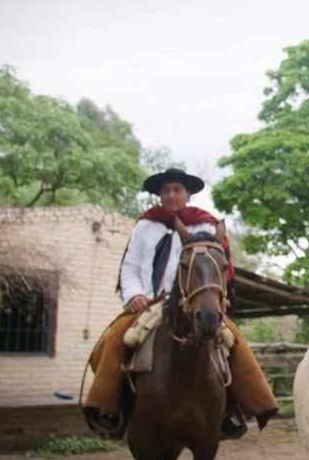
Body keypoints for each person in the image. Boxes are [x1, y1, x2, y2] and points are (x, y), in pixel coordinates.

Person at [83, 168, 278, 440]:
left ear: (188, 194)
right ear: (159, 194)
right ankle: (108, 407)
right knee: (115, 339)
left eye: (177, 189)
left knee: (232, 341)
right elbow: (129, 267)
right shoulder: (144, 225)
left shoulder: (206, 225)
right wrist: (134, 294)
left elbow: (220, 268)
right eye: (166, 190)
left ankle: (236, 408)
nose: (171, 195)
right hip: (149, 302)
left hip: (195, 301)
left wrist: (213, 298)